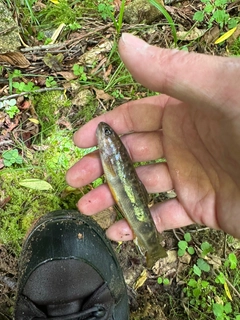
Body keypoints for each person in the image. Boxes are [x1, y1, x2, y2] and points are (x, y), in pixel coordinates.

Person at [15, 33, 240, 320]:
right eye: (106, 134)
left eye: (107, 134)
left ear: (112, 145)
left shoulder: (113, 152)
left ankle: (151, 247)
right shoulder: (113, 152)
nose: (103, 134)